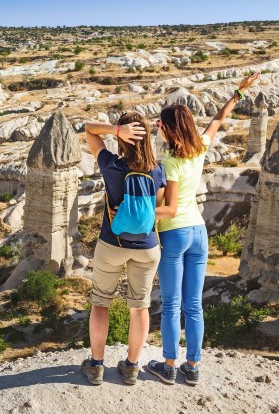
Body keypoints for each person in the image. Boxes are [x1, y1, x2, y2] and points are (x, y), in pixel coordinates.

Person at [147, 73, 260, 386]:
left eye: (161, 125)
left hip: (175, 233)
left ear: (169, 129)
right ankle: (192, 366)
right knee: (193, 305)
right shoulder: (199, 148)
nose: (159, 128)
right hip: (200, 232)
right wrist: (239, 92)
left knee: (171, 305)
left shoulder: (169, 162)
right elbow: (219, 118)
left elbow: (168, 208)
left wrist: (139, 212)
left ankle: (169, 365)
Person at [81, 112, 165, 386]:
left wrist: (115, 129)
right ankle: (131, 367)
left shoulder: (111, 165)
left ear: (124, 137)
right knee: (139, 307)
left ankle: (96, 366)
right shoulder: (157, 170)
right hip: (147, 247)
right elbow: (155, 210)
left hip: (113, 244)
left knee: (101, 303)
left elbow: (89, 131)